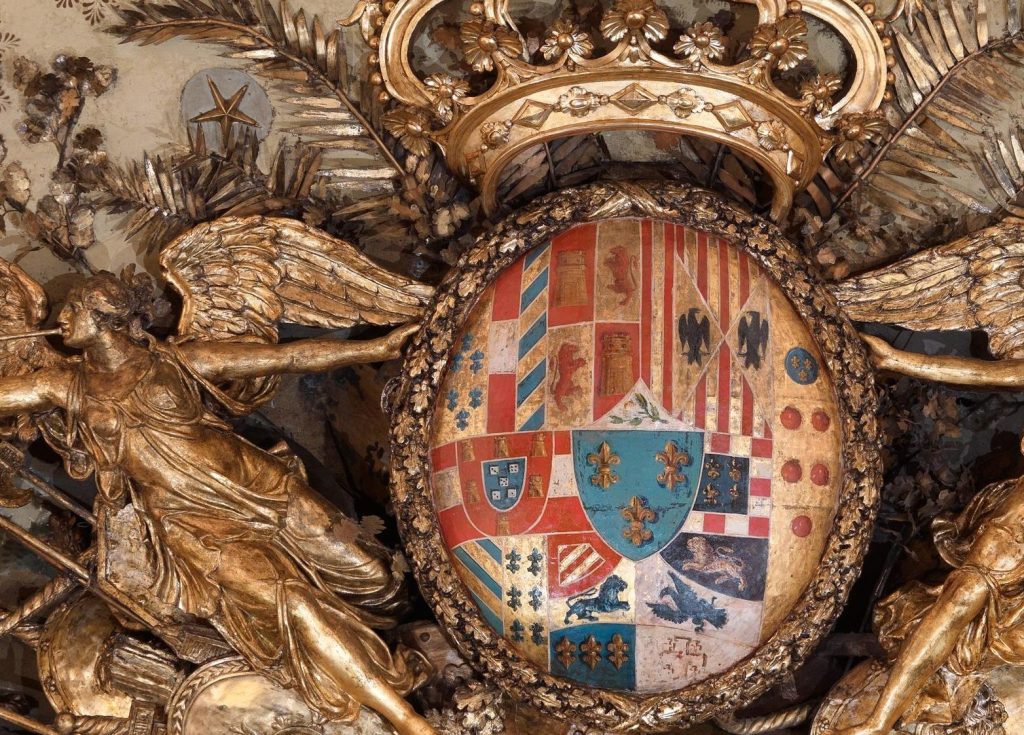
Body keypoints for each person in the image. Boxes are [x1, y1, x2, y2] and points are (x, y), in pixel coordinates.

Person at [0, 273, 435, 735]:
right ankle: (405, 717)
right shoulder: (66, 386)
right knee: (292, 602)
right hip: (190, 525)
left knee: (377, 581)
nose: (62, 318)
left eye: (73, 308)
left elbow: (285, 357)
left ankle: (418, 639)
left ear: (105, 315)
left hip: (259, 486)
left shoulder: (174, 360)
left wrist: (374, 348)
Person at [831, 334, 1024, 735]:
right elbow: (985, 373)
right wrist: (898, 360)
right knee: (962, 598)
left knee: (974, 618)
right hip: (1015, 528)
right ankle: (878, 721)